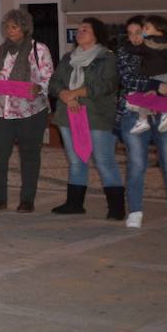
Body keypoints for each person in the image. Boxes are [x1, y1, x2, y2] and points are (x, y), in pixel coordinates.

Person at [117, 15, 167, 231]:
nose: (134, 37)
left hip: (166, 112)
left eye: (138, 32)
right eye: (130, 33)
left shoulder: (166, 49)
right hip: (134, 112)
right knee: (137, 164)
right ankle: (136, 212)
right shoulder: (125, 52)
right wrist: (157, 85)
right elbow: (127, 79)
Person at [0, 9, 54, 213]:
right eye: (7, 27)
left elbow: (50, 79)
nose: (9, 31)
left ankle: (27, 199)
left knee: (29, 156)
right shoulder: (1, 50)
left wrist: (38, 87)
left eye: (14, 27)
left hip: (29, 112)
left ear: (24, 27)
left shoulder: (38, 50)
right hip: (1, 112)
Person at [48, 17, 120, 218]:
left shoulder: (107, 58)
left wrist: (76, 93)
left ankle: (116, 208)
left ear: (97, 34)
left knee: (104, 160)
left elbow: (107, 85)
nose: (79, 33)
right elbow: (54, 83)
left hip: (97, 116)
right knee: (77, 160)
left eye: (85, 30)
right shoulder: (67, 58)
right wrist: (64, 94)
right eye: (78, 30)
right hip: (70, 114)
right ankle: (74, 203)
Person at [126, 17, 167, 135]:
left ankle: (162, 113)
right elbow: (126, 78)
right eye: (130, 34)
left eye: (141, 31)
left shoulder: (150, 43)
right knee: (148, 93)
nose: (137, 36)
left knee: (147, 92)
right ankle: (144, 119)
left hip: (160, 76)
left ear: (158, 30)